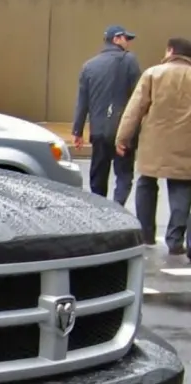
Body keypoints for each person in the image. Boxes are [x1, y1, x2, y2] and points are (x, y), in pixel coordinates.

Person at [116, 37, 191, 256]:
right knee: (182, 189)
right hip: (187, 145)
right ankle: (175, 241)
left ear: (170, 51)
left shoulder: (153, 74)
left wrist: (123, 138)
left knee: (147, 183)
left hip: (153, 144)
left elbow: (135, 109)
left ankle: (146, 234)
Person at [72, 25, 142, 207]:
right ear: (117, 39)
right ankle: (117, 207)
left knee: (98, 173)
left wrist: (77, 131)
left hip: (99, 130)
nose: (128, 43)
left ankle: (100, 209)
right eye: (126, 38)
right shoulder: (130, 61)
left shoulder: (89, 66)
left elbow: (83, 101)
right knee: (124, 174)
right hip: (123, 131)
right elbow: (138, 96)